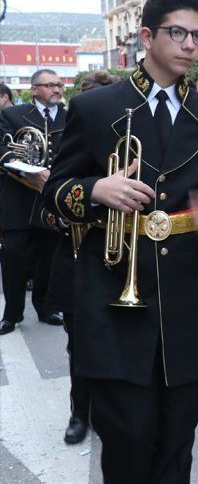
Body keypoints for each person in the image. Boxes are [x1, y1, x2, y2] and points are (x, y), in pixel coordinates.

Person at [41, 0, 198, 483]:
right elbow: (54, 193)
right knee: (127, 445)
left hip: (192, 303)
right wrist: (97, 188)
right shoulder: (96, 108)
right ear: (145, 36)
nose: (189, 45)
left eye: (197, 36)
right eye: (177, 32)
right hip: (114, 302)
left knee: (175, 450)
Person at [42, 70, 121, 446]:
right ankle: (80, 411)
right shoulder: (69, 140)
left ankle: (115, 412)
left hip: (124, 261)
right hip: (77, 256)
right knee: (80, 345)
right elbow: (50, 206)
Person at [0, 68, 68, 335]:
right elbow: (3, 149)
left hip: (52, 198)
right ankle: (12, 314)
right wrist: (30, 172)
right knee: (14, 258)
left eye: (59, 84)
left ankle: (47, 307)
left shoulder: (69, 116)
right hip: (20, 198)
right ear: (34, 89)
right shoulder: (12, 115)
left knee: (49, 258)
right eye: (50, 85)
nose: (57, 89)